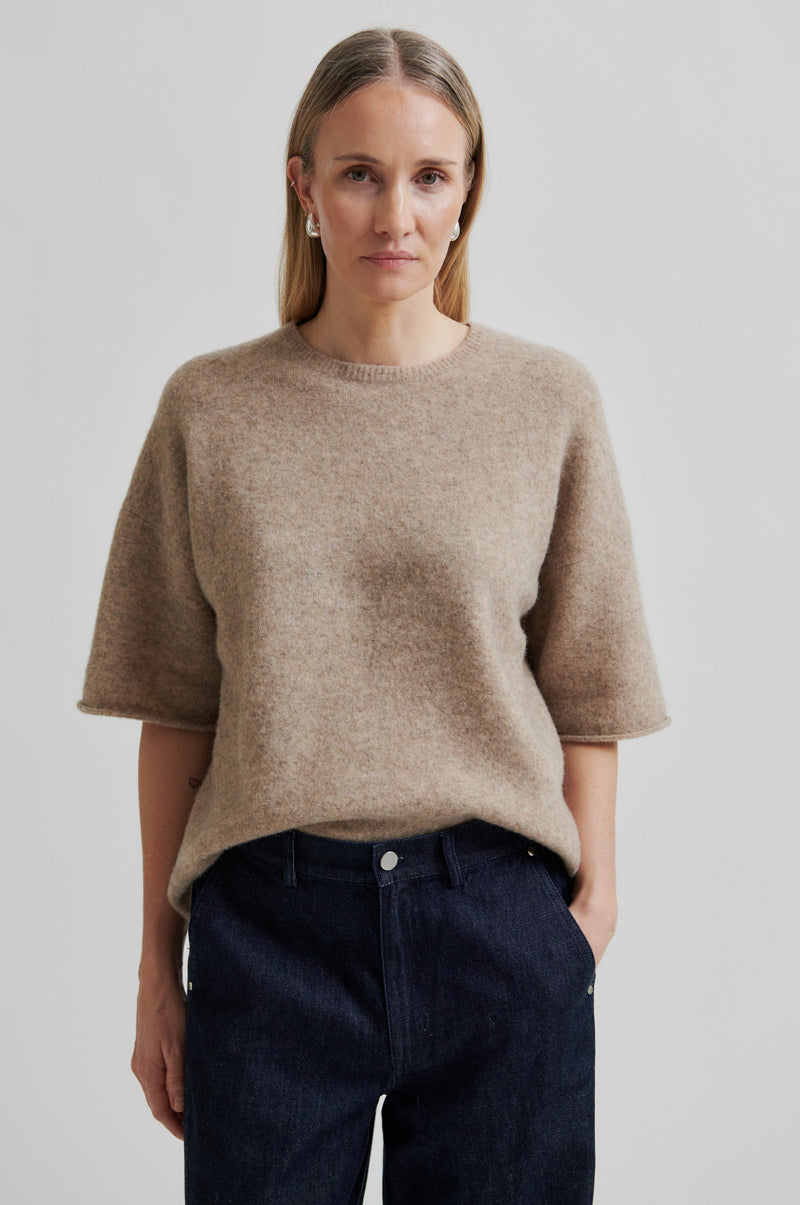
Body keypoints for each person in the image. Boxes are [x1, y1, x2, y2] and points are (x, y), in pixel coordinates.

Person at [77, 26, 671, 1205]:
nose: (395, 214)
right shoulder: (211, 410)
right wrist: (156, 968)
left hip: (497, 926)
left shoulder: (546, 403)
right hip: (270, 938)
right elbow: (175, 708)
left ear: (467, 191)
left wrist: (588, 912)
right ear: (303, 187)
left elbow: (587, 686)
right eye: (359, 173)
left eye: (428, 176)